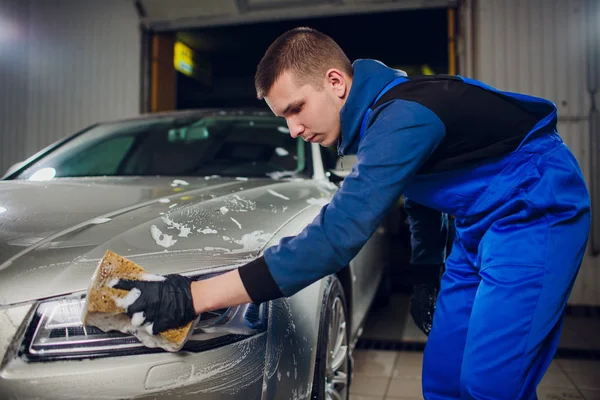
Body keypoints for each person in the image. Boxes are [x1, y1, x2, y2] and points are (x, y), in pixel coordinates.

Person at [113, 27, 591, 398]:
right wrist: (427, 270)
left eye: (297, 109)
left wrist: (193, 297)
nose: (294, 128)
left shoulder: (403, 116)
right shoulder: (381, 115)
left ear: (335, 83)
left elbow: (337, 236)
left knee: (492, 386)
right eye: (285, 118)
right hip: (475, 227)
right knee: (445, 379)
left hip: (535, 208)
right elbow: (422, 193)